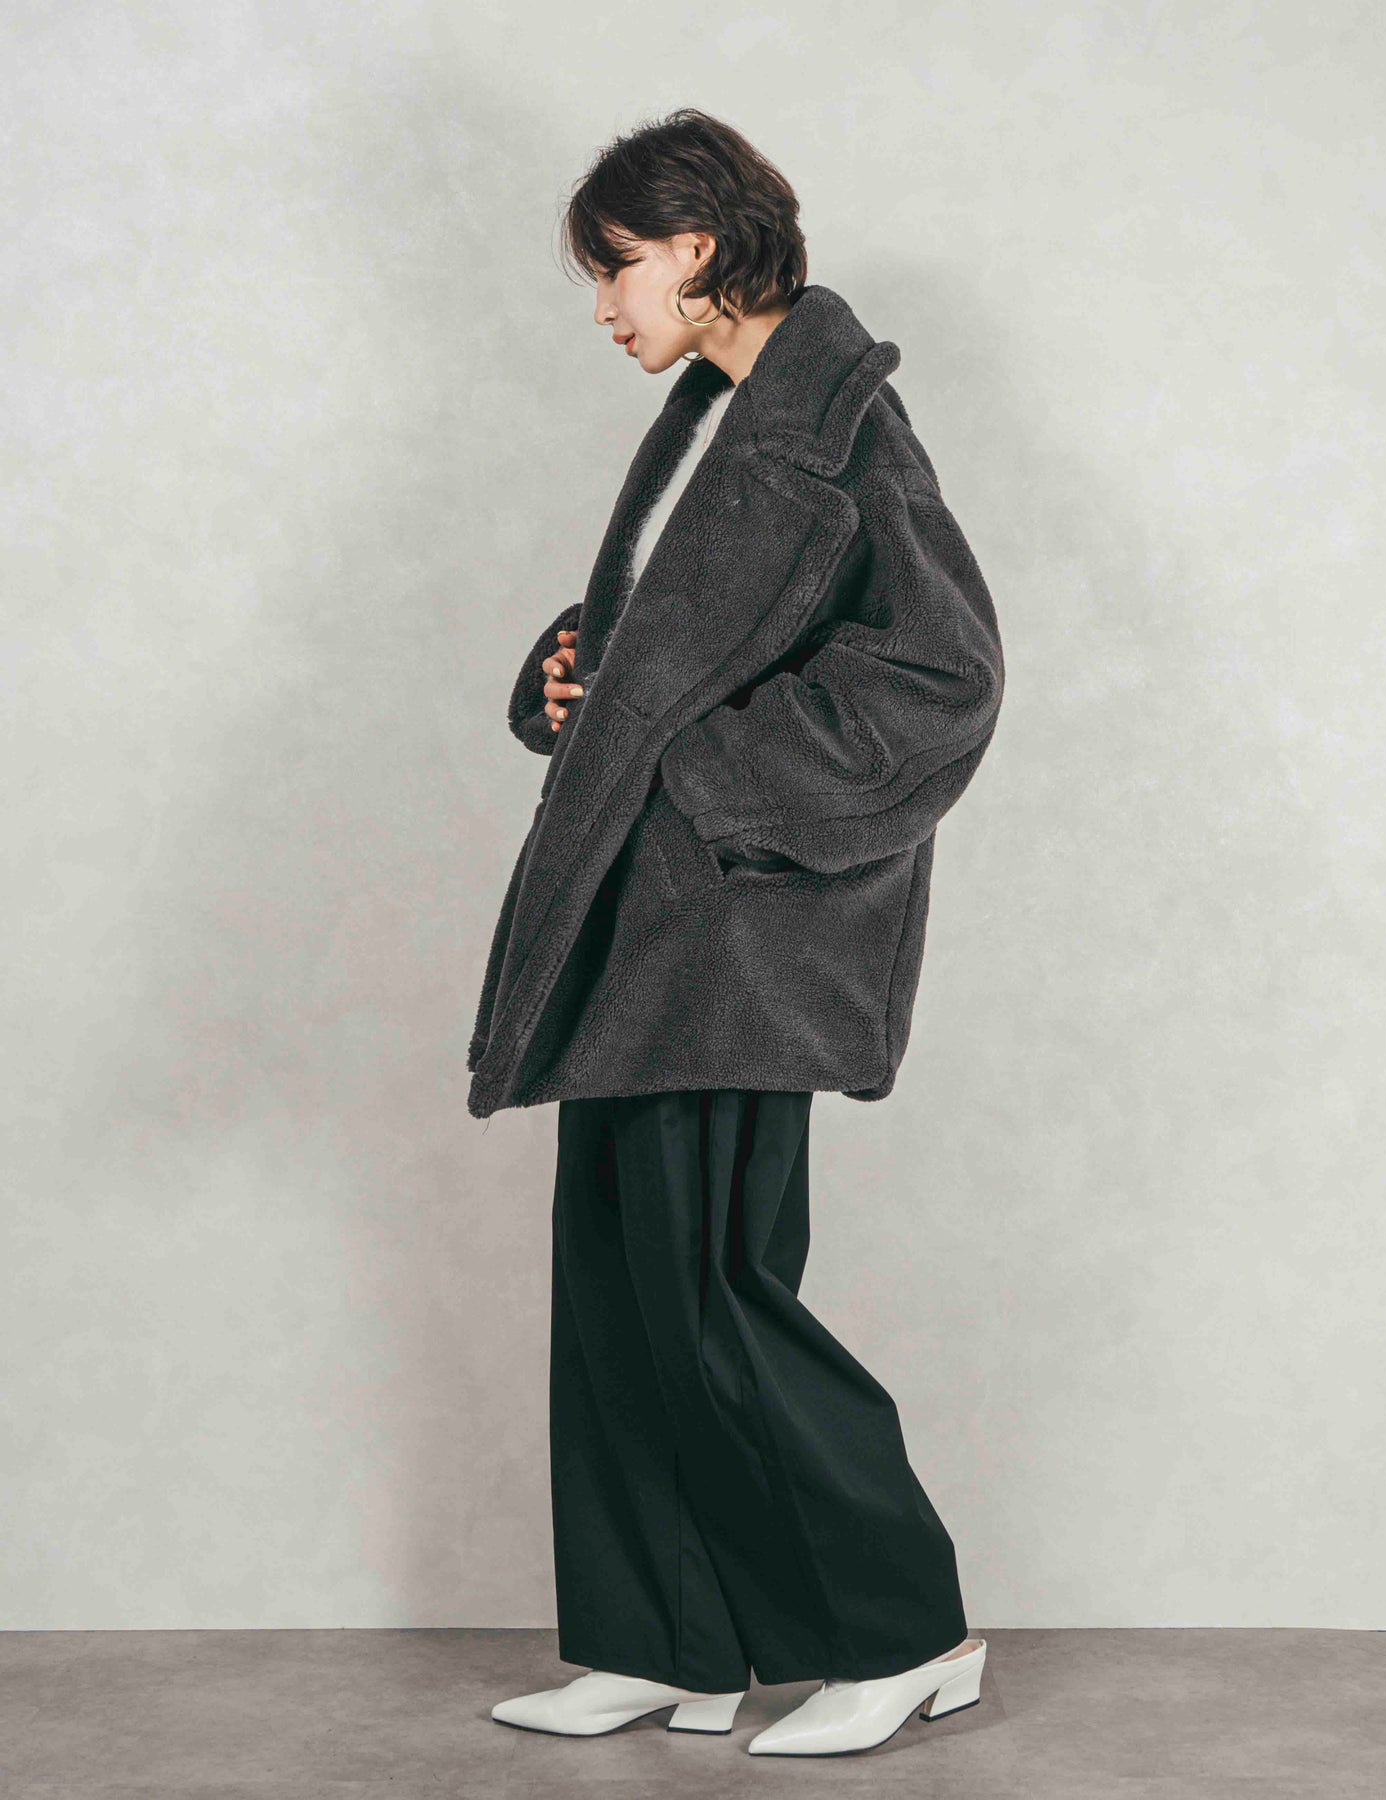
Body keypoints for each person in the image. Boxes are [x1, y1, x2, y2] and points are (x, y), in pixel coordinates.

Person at [475, 108, 1004, 1758]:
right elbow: (674, 643)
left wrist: (697, 774)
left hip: (740, 935)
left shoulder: (838, 425)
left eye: (619, 268)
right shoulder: (715, 415)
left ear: (700, 251)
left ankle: (907, 1632)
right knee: (619, 1300)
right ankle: (668, 1640)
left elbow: (943, 679)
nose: (603, 306)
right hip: (645, 923)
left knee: (714, 1295)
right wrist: (574, 675)